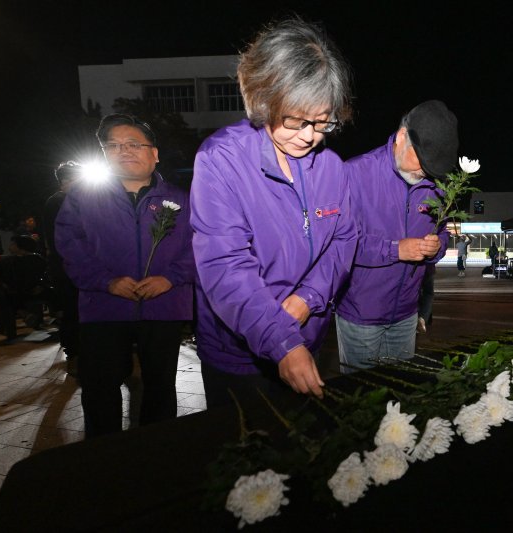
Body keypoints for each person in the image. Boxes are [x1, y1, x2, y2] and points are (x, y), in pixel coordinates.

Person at [190, 17, 357, 406]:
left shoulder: (331, 167)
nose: (310, 136)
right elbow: (225, 264)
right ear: (264, 99)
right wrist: (279, 337)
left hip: (307, 336)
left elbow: (343, 240)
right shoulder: (221, 160)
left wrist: (308, 298)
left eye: (322, 121)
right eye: (296, 120)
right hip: (238, 351)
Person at [56, 114, 195, 438]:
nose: (124, 151)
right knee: (100, 387)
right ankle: (103, 455)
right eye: (113, 145)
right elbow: (69, 246)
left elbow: (200, 246)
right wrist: (106, 281)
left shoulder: (181, 199)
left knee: (160, 387)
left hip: (163, 306)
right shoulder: (82, 198)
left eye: (134, 144)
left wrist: (170, 279)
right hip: (104, 306)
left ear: (154, 153)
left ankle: (155, 450)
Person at [335, 100, 457, 370]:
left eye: (432, 169)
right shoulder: (354, 174)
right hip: (360, 316)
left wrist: (436, 247)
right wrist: (395, 250)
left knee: (400, 396)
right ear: (403, 136)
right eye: (422, 162)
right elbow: (338, 243)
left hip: (405, 316)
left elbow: (443, 231)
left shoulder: (435, 186)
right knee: (363, 399)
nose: (424, 173)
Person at [43, 161, 82, 378]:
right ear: (67, 180)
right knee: (71, 309)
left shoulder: (75, 200)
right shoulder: (57, 201)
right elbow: (59, 239)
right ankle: (74, 353)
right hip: (65, 265)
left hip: (75, 264)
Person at [417, 264, 436, 334]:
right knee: (428, 293)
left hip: (415, 269)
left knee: (416, 292)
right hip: (428, 268)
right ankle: (424, 318)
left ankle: (419, 316)